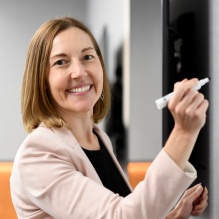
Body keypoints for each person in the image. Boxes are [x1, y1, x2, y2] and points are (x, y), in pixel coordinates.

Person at [10, 16, 208, 219]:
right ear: (41, 80)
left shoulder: (98, 138)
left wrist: (173, 216)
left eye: (87, 57)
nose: (79, 72)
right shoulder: (37, 155)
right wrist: (183, 132)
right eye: (61, 62)